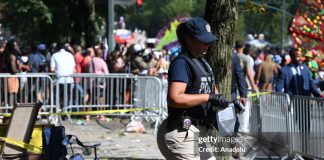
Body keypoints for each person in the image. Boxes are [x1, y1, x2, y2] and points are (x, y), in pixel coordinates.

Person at [157, 17, 229, 160]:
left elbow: (212, 93)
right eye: (203, 40)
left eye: (209, 40)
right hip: (181, 132)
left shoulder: (203, 63)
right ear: (189, 39)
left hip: (198, 131)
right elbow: (175, 98)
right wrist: (209, 97)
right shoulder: (181, 63)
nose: (208, 44)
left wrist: (229, 103)